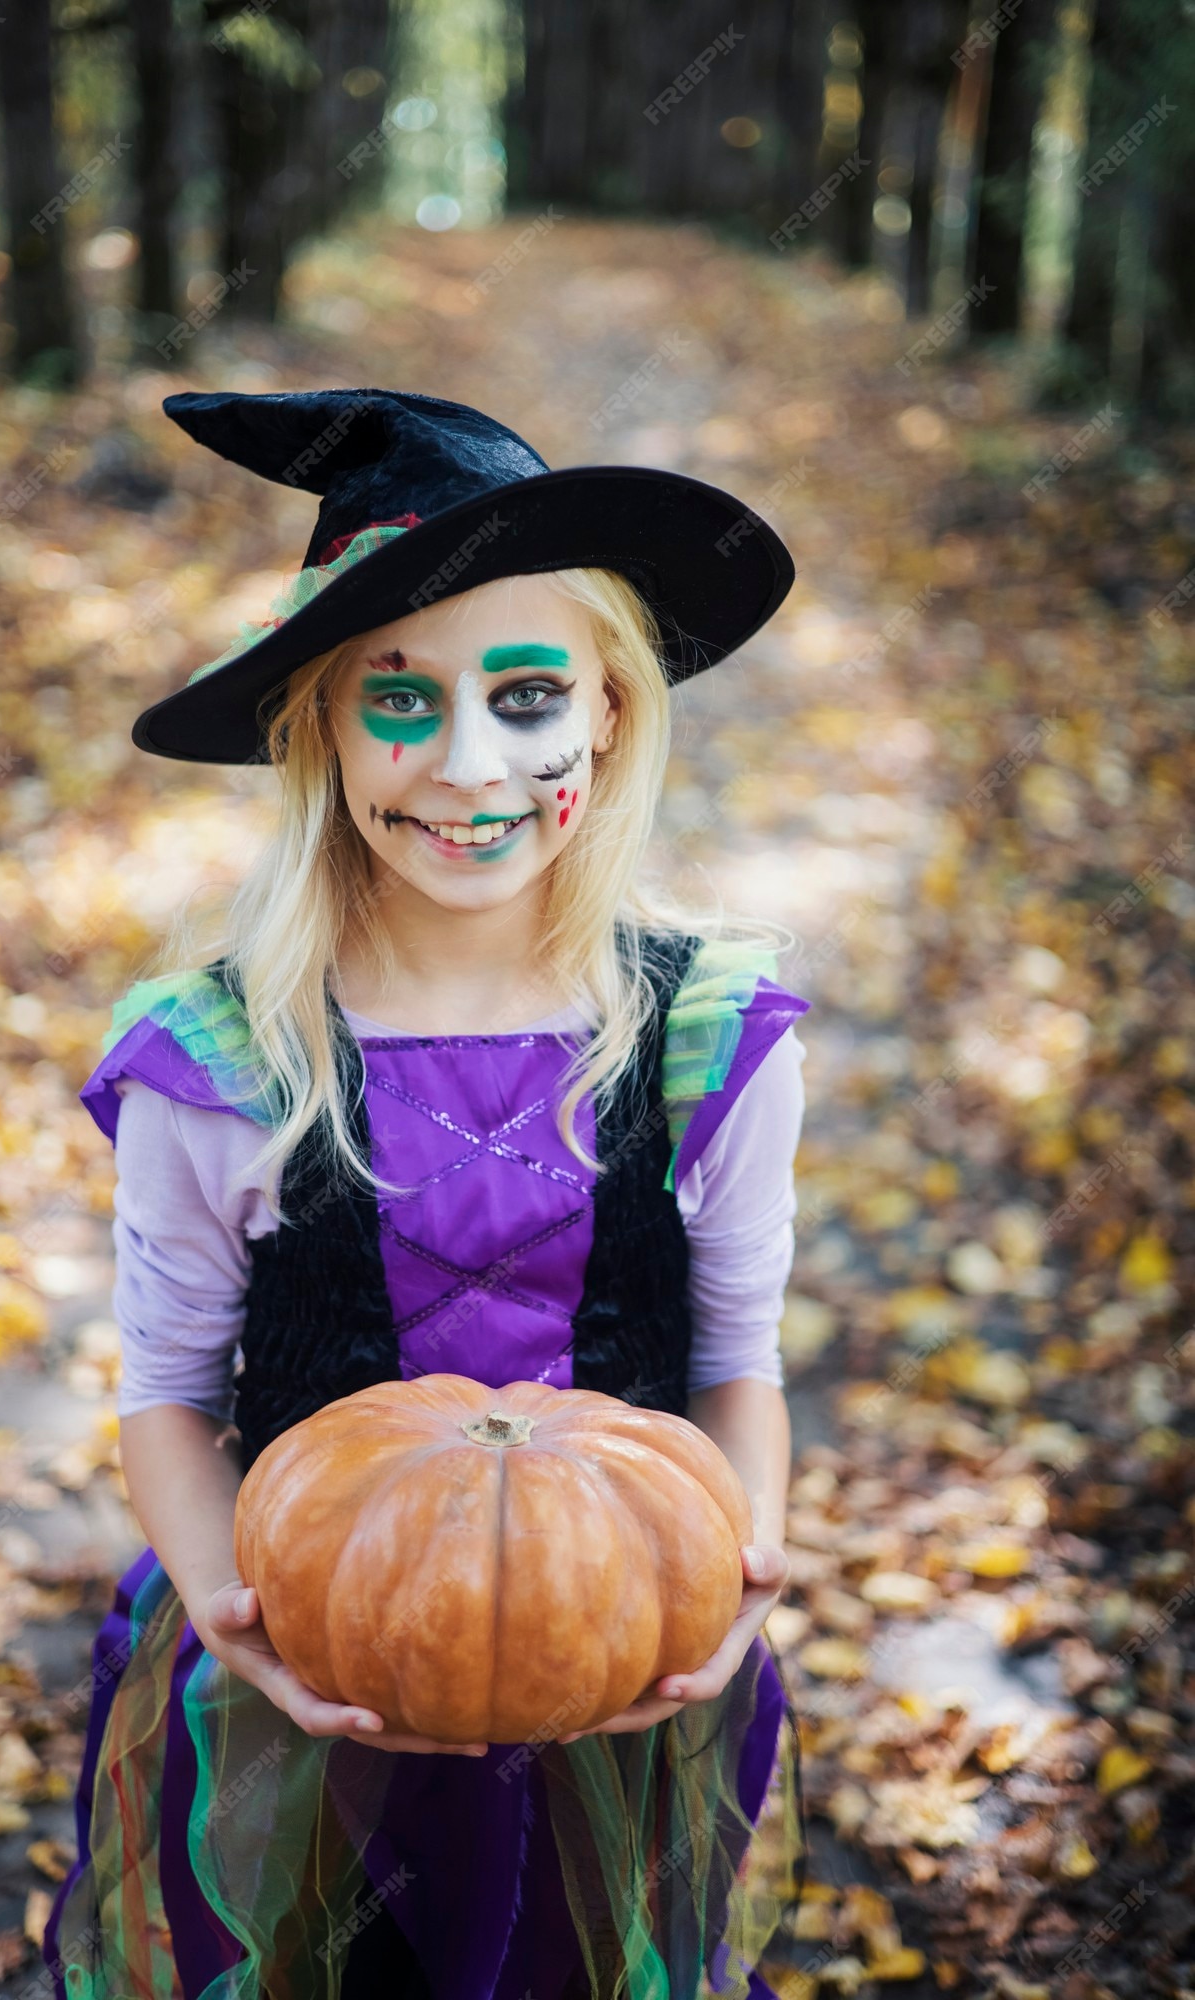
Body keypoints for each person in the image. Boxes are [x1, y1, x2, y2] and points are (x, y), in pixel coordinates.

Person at [42, 385, 811, 2000]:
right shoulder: (226, 1055)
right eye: (400, 700)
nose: (466, 764)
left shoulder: (706, 1032)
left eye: (524, 696)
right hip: (306, 1675)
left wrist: (731, 1586)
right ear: (320, 718)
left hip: (622, 1675)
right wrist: (232, 1614)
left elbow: (737, 1363)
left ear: (608, 711)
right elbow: (170, 1396)